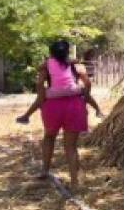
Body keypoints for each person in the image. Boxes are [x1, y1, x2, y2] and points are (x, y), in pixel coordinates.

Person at [32, 39, 91, 188]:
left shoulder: (47, 66)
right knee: (71, 146)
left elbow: (39, 83)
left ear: (51, 53)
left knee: (49, 137)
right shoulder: (77, 66)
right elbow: (88, 83)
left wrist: (42, 96)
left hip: (53, 106)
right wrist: (85, 98)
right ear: (67, 52)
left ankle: (45, 170)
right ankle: (75, 182)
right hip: (74, 105)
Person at [16, 53, 103, 124]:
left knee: (39, 99)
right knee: (87, 95)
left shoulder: (50, 64)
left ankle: (26, 116)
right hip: (72, 90)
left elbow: (39, 76)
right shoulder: (71, 63)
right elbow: (86, 79)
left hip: (55, 92)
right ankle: (98, 110)